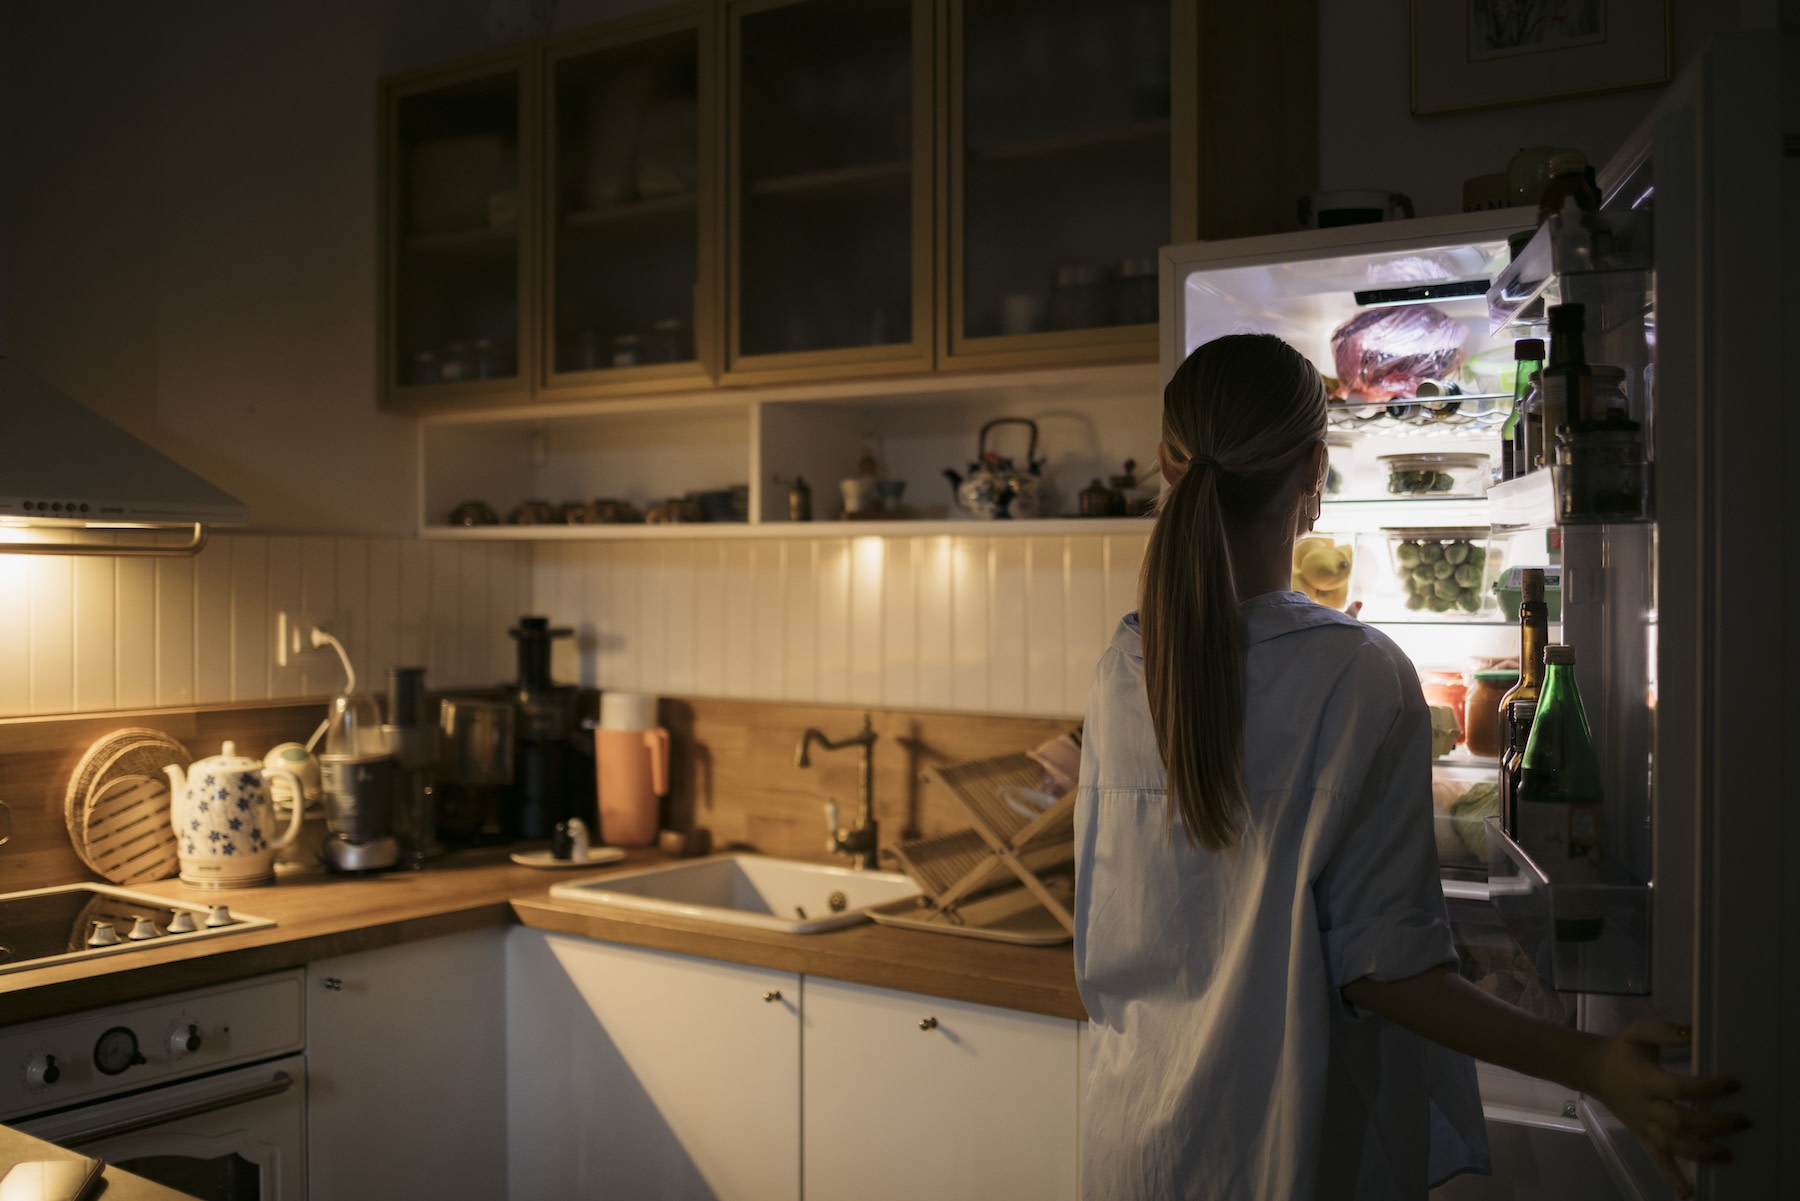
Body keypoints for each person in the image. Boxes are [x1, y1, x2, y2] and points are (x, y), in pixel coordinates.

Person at [1073, 334, 1745, 1201]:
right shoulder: (1357, 672)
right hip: (1285, 1154)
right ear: (1316, 469)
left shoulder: (1124, 667)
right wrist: (1594, 1061)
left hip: (1135, 1149)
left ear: (1167, 464)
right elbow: (1383, 967)